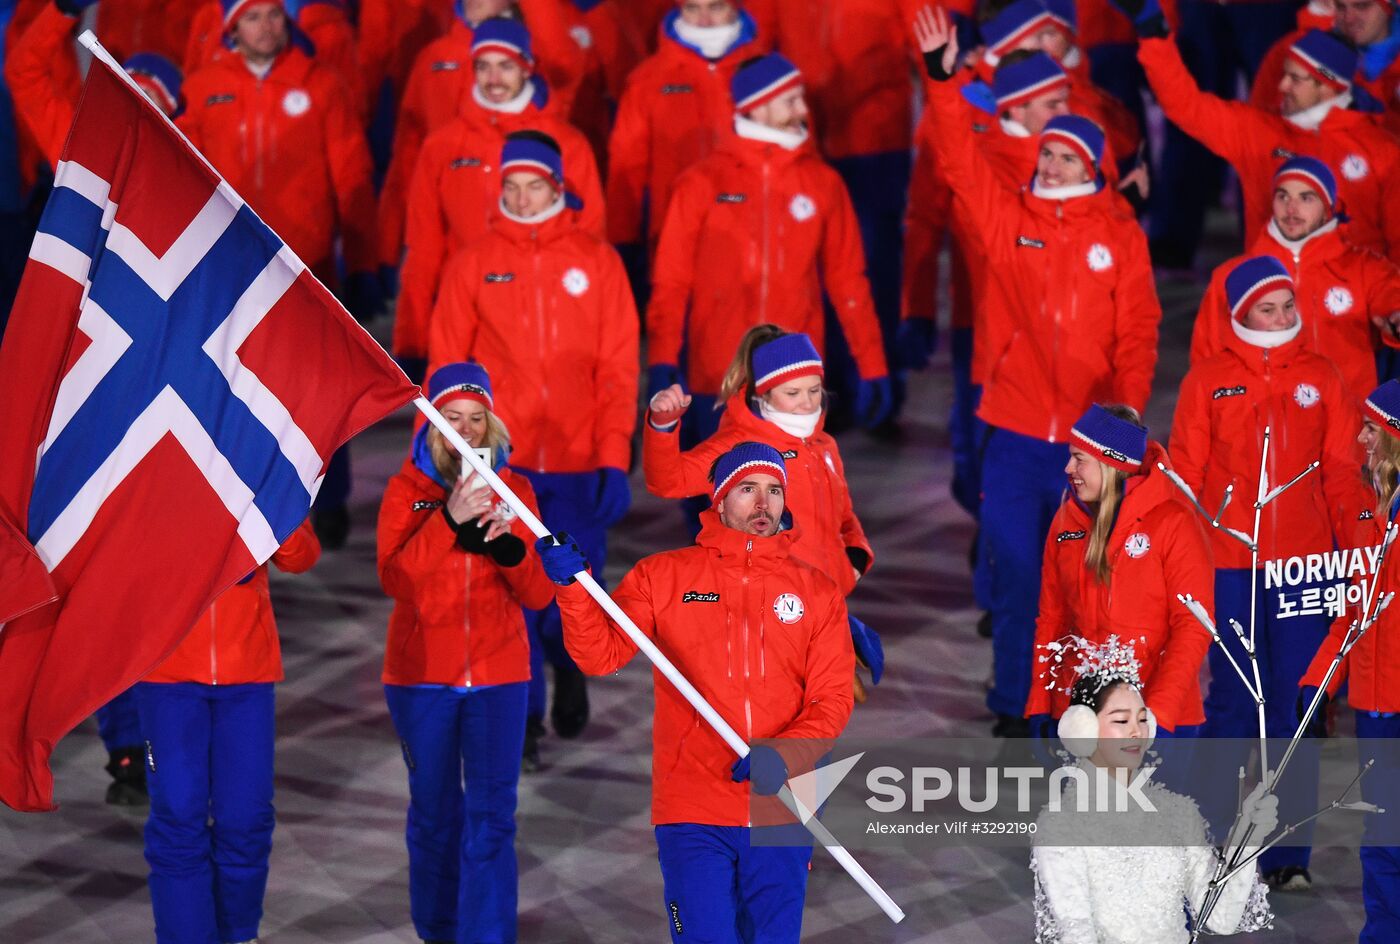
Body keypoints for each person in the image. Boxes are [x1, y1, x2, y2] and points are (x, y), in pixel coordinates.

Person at [915, 5, 1161, 736]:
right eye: (1047, 152)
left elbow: (1138, 332)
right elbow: (958, 158)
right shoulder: (1008, 217)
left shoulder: (1118, 234)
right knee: (1020, 575)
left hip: (1089, 441)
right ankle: (1016, 702)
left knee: (1087, 586)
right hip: (1016, 432)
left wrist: (1123, 420)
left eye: (1067, 157)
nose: (1051, 164)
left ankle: (1078, 709)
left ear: (1092, 167)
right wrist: (940, 80)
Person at [536, 442, 855, 944]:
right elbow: (601, 655)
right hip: (692, 805)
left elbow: (832, 699)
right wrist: (573, 590)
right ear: (721, 500)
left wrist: (785, 753)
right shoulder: (663, 576)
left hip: (785, 802)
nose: (763, 504)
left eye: (774, 491)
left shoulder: (816, 591)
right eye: (748, 490)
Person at [428, 132, 639, 767]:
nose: (523, 197)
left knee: (572, 579)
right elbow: (448, 361)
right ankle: (519, 716)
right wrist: (448, 448)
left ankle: (569, 664)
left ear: (558, 187)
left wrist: (612, 452)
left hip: (577, 459)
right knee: (506, 587)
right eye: (511, 187)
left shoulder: (598, 262)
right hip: (504, 460)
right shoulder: (473, 261)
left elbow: (618, 366)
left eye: (535, 185)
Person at [1169, 255, 1363, 890]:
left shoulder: (1323, 376)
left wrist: (1356, 553)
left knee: (1293, 707)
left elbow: (1339, 474)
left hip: (1304, 570)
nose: (1282, 318)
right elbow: (1189, 480)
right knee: (1227, 703)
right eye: (1267, 308)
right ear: (1240, 314)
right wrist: (1187, 560)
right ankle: (1210, 836)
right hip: (1229, 567)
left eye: (1288, 305)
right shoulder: (1208, 380)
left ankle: (1287, 851)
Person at [178, 0, 381, 549]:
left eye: (274, 14)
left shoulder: (321, 85)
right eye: (252, 16)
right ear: (230, 27)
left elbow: (353, 176)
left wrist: (363, 261)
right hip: (230, 272)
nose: (265, 27)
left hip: (305, 269)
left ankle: (329, 497)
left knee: (317, 388)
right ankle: (247, 498)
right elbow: (184, 171)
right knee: (239, 387)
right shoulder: (202, 87)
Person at [376, 362, 554, 944]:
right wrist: (449, 521)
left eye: (477, 419)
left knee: (492, 820)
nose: (467, 431)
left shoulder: (518, 490)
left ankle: (487, 936)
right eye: (453, 418)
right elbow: (397, 581)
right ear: (429, 424)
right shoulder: (408, 492)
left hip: (500, 678)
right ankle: (438, 930)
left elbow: (538, 593)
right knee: (434, 814)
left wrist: (508, 549)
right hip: (422, 678)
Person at [647, 52, 892, 447]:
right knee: (713, 500)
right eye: (790, 99)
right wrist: (662, 359)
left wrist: (873, 364)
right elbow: (671, 283)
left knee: (793, 503)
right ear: (756, 106)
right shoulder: (700, 184)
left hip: (794, 381)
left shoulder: (822, 183)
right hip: (718, 374)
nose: (803, 109)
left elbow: (849, 283)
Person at [645, 327, 885, 698]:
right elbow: (669, 481)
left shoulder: (823, 446)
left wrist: (854, 557)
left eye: (813, 390)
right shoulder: (741, 447)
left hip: (819, 608)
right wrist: (663, 427)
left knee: (816, 724)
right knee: (775, 717)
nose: (807, 402)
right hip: (764, 615)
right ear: (764, 393)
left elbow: (844, 514)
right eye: (793, 393)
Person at [133, 519, 321, 944]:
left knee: (247, 819)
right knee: (179, 819)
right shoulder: (152, 463)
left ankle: (239, 934)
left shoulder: (260, 462)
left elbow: (302, 556)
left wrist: (270, 512)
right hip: (167, 675)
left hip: (247, 673)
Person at [1114, 0, 1400, 266]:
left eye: (1296, 79)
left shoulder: (1380, 150)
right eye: (1285, 74)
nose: (1282, 86)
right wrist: (1154, 33)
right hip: (1272, 302)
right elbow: (1185, 104)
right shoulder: (1259, 133)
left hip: (1353, 309)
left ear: (1329, 87)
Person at [394, 17, 606, 370]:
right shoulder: (442, 146)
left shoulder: (567, 144)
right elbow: (423, 246)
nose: (493, 80)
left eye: (505, 66)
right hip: (467, 318)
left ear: (527, 68)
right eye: (483, 66)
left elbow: (590, 241)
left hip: (546, 316)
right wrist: (412, 335)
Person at [1032, 639, 1277, 943]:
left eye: (1143, 719)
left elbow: (1221, 918)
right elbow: (1076, 933)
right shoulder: (1062, 829)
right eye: (1121, 720)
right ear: (1083, 730)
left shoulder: (1176, 814)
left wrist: (1247, 836)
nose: (1136, 731)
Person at [769, 0, 915, 430]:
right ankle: (820, 388)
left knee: (871, 270)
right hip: (801, 136)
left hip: (875, 139)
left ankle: (877, 385)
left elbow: (930, 41)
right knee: (806, 271)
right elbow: (754, 44)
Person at [1026, 405, 1213, 739]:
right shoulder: (1066, 522)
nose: (1069, 468)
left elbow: (1192, 628)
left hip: (1158, 719)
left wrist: (1157, 717)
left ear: (1110, 464)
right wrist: (1041, 704)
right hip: (1083, 716)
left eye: (1079, 458)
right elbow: (1051, 619)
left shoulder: (1174, 523)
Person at [379, 0, 592, 273]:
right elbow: (406, 159)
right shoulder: (433, 58)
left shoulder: (538, 56)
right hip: (451, 260)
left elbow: (564, 66)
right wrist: (386, 246)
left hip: (532, 263)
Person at [1301, 378, 1400, 942]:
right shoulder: (1364, 507)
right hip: (1376, 705)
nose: (1360, 436)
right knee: (1384, 835)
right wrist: (1321, 682)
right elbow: (1352, 608)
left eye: (1372, 428)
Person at [1190, 157, 1400, 406]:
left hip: (1346, 426)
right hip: (1264, 430)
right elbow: (1206, 363)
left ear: (1328, 207)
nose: (1291, 208)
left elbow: (1390, 296)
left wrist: (1395, 319)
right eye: (1283, 196)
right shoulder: (1233, 275)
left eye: (1306, 198)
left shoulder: (1363, 267)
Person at [606, 0, 767, 257]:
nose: (703, 21)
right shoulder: (648, 80)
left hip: (758, 234)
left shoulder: (769, 75)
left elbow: (799, 161)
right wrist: (623, 240)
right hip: (676, 236)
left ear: (735, 7)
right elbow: (626, 166)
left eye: (715, 8)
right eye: (692, 8)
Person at [5, 0, 184, 166]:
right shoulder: (79, 145)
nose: (133, 106)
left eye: (147, 96)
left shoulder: (181, 177)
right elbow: (22, 73)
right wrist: (63, 10)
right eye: (125, 94)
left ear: (169, 117)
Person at [1251, 0, 1400, 130]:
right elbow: (1260, 127)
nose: (1349, 18)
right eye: (1341, 6)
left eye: (1362, 6)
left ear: (1388, 8)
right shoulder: (1296, 48)